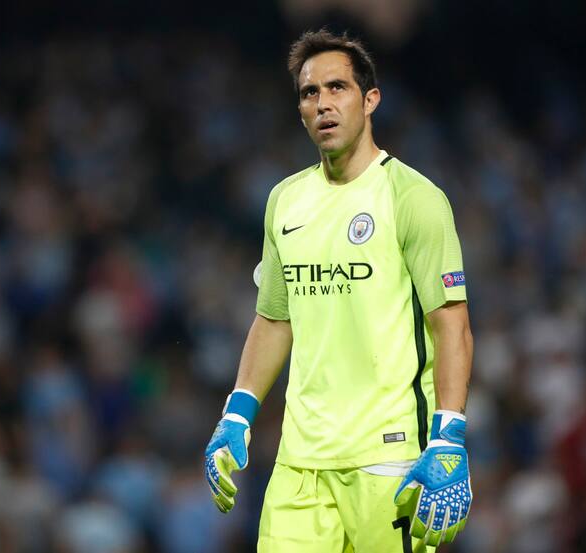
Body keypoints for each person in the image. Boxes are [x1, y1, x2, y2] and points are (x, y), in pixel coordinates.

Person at [204, 29, 473, 552]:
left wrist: (449, 435)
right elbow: (274, 319)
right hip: (299, 464)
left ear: (370, 99)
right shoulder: (284, 201)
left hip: (390, 461)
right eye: (310, 93)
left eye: (338, 88)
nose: (324, 103)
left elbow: (452, 325)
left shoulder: (413, 197)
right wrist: (236, 414)